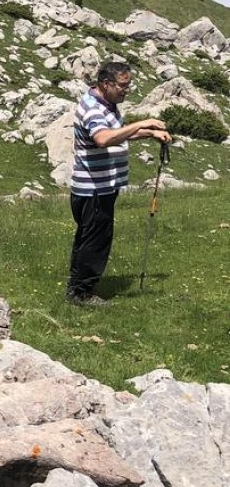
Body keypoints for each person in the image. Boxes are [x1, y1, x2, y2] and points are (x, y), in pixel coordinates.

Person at [67, 60, 171, 305]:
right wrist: (142, 123)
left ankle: (77, 286)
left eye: (129, 85)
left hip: (100, 186)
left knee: (87, 237)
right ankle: (82, 293)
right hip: (94, 188)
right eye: (123, 86)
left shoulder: (107, 104)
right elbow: (103, 139)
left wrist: (150, 133)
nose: (126, 90)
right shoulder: (93, 108)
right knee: (96, 240)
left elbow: (117, 133)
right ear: (106, 84)